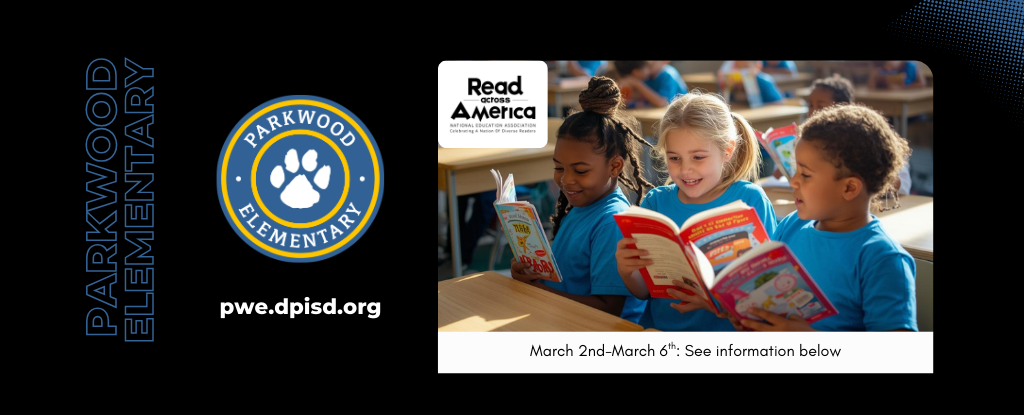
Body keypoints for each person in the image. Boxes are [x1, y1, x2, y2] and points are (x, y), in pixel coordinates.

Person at [731, 104, 917, 331]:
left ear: (849, 188)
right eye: (795, 170)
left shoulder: (882, 259)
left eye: (805, 174)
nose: (793, 182)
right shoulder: (793, 225)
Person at [615, 91, 778, 331]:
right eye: (674, 158)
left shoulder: (749, 199)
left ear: (727, 151)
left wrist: (712, 303)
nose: (685, 170)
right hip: (660, 333)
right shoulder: (654, 203)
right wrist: (627, 271)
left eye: (698, 157)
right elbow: (643, 291)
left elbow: (767, 289)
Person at [511, 76, 654, 323]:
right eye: (559, 168)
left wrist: (540, 292)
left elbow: (608, 309)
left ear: (615, 166)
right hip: (562, 320)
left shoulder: (612, 222)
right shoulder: (581, 205)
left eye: (580, 171)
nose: (566, 180)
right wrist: (529, 274)